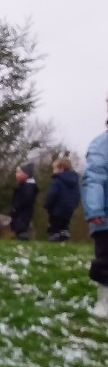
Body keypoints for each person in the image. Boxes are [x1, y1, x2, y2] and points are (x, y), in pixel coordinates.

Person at [81, 119, 108, 316]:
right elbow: (94, 177)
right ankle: (104, 303)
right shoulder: (102, 144)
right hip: (105, 215)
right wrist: (95, 208)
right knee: (106, 260)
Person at [44, 156, 80, 241]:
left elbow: (52, 194)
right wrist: (74, 205)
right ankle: (64, 234)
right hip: (69, 209)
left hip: (56, 209)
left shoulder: (57, 180)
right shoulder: (75, 182)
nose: (53, 171)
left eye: (54, 168)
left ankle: (54, 237)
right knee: (64, 224)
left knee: (54, 225)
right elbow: (77, 194)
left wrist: (47, 205)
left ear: (61, 168)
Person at [10, 162, 38, 240]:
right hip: (20, 215)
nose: (16, 174)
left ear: (26, 173)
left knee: (21, 231)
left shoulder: (28, 187)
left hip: (22, 215)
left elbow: (25, 199)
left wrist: (16, 207)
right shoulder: (24, 186)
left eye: (18, 172)